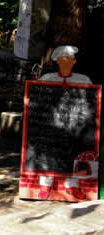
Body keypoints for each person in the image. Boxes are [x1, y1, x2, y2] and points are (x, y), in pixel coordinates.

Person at [38, 45, 94, 200]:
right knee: (48, 154)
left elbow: (90, 102)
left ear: (74, 61)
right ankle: (46, 184)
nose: (66, 62)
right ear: (57, 61)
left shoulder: (84, 80)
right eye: (62, 59)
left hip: (74, 127)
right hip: (52, 126)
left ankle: (73, 185)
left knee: (74, 156)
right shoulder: (47, 79)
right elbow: (37, 100)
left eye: (69, 59)